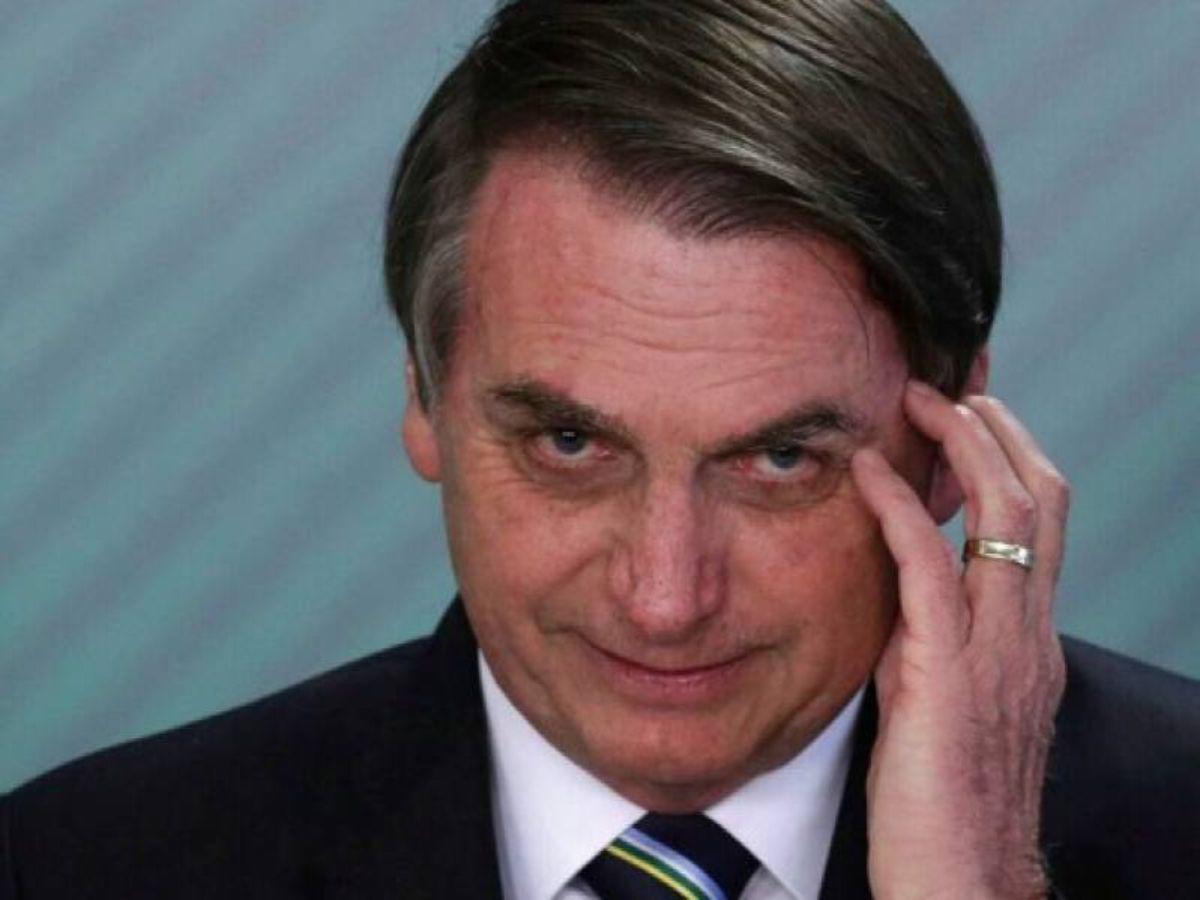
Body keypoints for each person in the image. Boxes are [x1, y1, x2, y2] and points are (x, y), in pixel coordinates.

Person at [2, 1, 1197, 897]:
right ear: (423, 394)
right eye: (570, 443)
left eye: (781, 461)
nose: (666, 599)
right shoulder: (75, 867)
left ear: (952, 447)